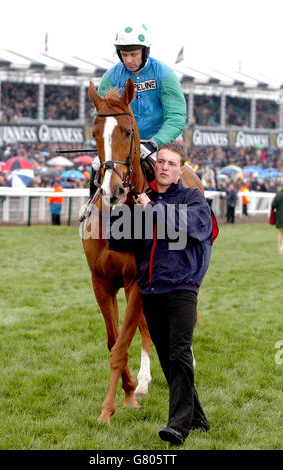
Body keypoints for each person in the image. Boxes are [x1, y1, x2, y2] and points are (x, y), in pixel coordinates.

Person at [108, 142, 218, 445]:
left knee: (180, 353)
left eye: (172, 163)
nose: (165, 167)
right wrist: (122, 206)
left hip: (182, 286)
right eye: (161, 162)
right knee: (169, 359)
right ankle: (197, 418)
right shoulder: (145, 199)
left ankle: (177, 426)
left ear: (180, 169)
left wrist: (149, 207)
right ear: (154, 165)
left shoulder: (192, 198)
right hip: (151, 290)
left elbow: (191, 228)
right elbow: (118, 244)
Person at [89, 23, 187, 197]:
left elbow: (176, 116)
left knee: (168, 174)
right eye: (124, 55)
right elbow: (100, 115)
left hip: (156, 144)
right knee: (97, 168)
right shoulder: (110, 77)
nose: (128, 60)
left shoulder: (165, 75)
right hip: (121, 145)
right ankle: (93, 215)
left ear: (145, 51)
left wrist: (155, 142)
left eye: (134, 54)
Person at [271, 185, 283, 255]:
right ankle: (282, 250)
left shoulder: (278, 195)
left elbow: (273, 205)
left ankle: (280, 248)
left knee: (281, 234)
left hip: (279, 217)